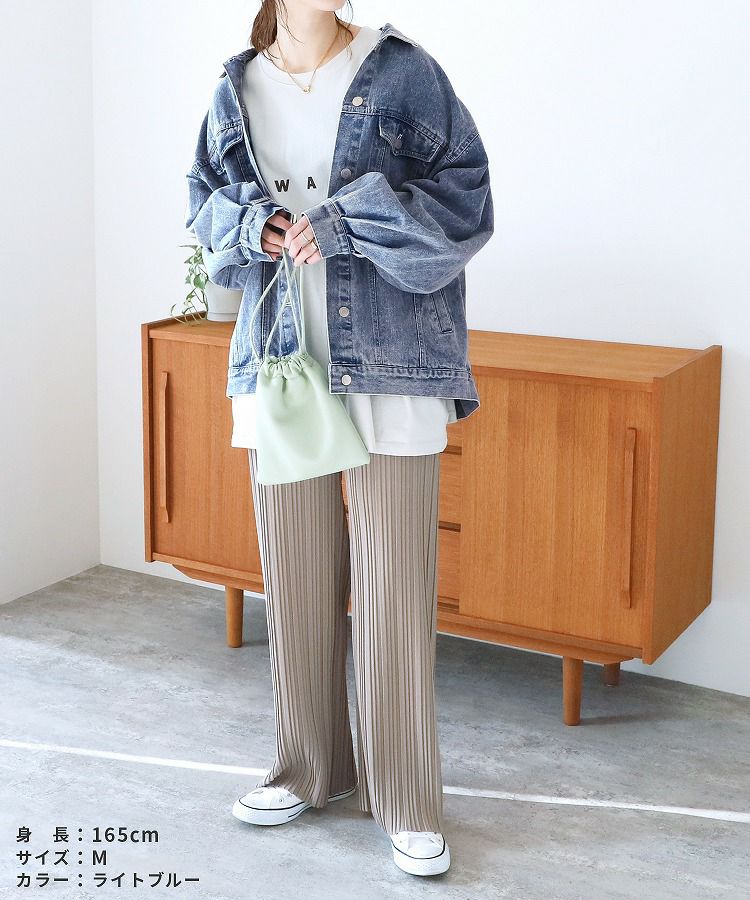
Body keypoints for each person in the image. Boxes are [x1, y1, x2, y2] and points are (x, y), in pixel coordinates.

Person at [185, 1, 494, 878]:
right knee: (295, 579)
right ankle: (306, 769)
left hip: (393, 357)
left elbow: (466, 199)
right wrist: (252, 226)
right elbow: (203, 202)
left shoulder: (403, 71)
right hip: (281, 356)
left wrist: (348, 223)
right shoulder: (236, 86)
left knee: (395, 589)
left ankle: (406, 800)